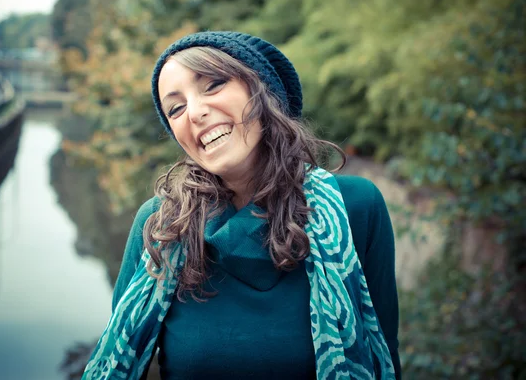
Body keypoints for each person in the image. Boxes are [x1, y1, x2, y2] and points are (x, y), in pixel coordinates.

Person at [83, 31, 401, 380]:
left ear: (262, 90)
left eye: (213, 85)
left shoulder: (355, 207)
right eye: (176, 108)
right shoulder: (162, 227)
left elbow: (382, 356)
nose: (195, 112)